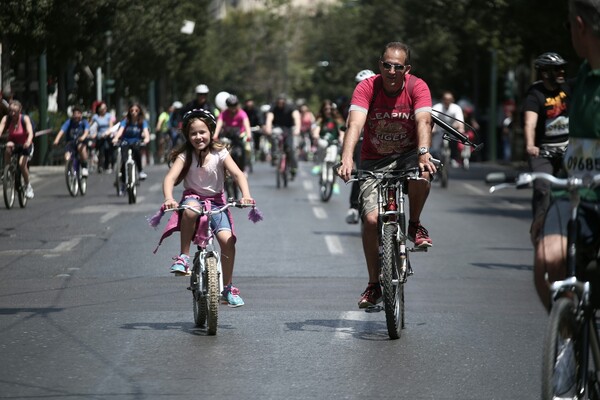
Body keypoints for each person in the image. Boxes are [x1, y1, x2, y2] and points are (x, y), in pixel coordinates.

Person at [337, 41, 436, 309]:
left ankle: (414, 223)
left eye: (398, 66)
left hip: (408, 155)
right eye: (387, 65)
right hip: (373, 160)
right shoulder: (367, 87)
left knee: (421, 175)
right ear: (380, 65)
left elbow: (423, 120)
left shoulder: (418, 87)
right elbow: (355, 123)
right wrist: (347, 157)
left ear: (407, 69)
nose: (392, 71)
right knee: (370, 221)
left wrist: (424, 153)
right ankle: (373, 284)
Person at [534, 0, 600, 312]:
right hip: (574, 193)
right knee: (547, 263)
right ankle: (568, 344)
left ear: (580, 25)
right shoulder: (585, 76)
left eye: (568, 26)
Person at [160, 109, 254, 307]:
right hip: (193, 198)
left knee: (227, 242)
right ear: (187, 136)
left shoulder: (220, 152)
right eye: (193, 133)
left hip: (217, 202)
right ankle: (184, 257)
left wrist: (246, 195)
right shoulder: (186, 155)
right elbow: (170, 178)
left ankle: (227, 288)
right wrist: (169, 198)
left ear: (211, 131)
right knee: (191, 209)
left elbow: (238, 174)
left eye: (202, 132)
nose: (198, 137)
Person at [523, 52, 571, 244]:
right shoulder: (535, 94)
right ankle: (539, 230)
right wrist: (530, 145)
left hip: (568, 149)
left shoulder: (567, 88)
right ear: (544, 72)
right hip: (543, 151)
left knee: (579, 188)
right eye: (556, 69)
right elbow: (530, 123)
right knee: (543, 189)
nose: (561, 71)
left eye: (562, 68)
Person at [346, 69, 376, 224]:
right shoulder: (356, 102)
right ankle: (354, 206)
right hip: (362, 141)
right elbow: (351, 125)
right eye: (359, 84)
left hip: (384, 144)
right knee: (361, 173)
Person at [0, 99, 35, 198]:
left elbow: (30, 132)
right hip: (14, 143)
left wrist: (28, 141)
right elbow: (0, 129)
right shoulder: (6, 119)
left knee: (21, 164)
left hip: (25, 145)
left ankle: (28, 185)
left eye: (15, 111)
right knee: (8, 147)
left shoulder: (25, 118)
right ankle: (8, 172)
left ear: (20, 110)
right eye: (11, 111)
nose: (12, 113)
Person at [112, 103, 150, 188]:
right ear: (129, 111)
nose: (134, 112)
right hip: (125, 142)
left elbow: (146, 132)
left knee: (137, 153)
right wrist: (116, 138)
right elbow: (120, 131)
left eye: (136, 110)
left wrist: (146, 139)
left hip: (136, 142)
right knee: (124, 160)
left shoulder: (142, 122)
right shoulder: (125, 121)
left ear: (139, 111)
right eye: (132, 110)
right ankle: (123, 179)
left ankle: (140, 171)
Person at [264, 94, 301, 179]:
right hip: (278, 127)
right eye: (279, 102)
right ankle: (275, 155)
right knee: (274, 136)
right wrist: (268, 127)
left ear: (285, 102)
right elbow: (269, 118)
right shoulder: (273, 107)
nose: (280, 104)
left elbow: (296, 117)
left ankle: (293, 167)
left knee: (291, 149)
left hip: (289, 128)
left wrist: (297, 128)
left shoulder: (291, 107)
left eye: (282, 102)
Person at [214, 94, 252, 173]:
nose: (233, 108)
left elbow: (246, 124)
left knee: (243, 150)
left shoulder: (242, 113)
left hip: (239, 137)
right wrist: (215, 135)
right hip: (227, 136)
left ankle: (243, 169)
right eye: (230, 106)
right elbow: (219, 124)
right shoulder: (224, 113)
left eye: (234, 105)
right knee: (220, 151)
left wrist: (249, 135)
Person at [53, 105, 91, 177]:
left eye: (78, 114)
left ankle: (84, 167)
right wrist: (56, 140)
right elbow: (62, 131)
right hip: (71, 142)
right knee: (67, 156)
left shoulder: (84, 122)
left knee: (81, 148)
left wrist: (83, 137)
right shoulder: (69, 122)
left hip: (80, 142)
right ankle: (70, 169)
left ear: (81, 114)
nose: (76, 116)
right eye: (74, 114)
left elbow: (86, 131)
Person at [311, 99, 344, 178]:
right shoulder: (320, 119)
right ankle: (318, 165)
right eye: (326, 109)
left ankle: (335, 183)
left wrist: (341, 138)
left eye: (330, 109)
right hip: (323, 141)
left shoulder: (337, 120)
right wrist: (315, 135)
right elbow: (317, 128)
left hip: (334, 142)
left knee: (334, 162)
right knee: (321, 146)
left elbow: (341, 131)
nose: (328, 111)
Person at [431, 91, 465, 167]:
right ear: (442, 99)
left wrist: (460, 128)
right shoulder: (437, 107)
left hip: (452, 130)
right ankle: (435, 163)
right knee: (435, 149)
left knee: (454, 141)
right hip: (439, 130)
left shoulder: (456, 108)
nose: (447, 101)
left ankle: (453, 158)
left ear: (452, 100)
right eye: (445, 99)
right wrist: (432, 129)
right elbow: (432, 118)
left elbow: (460, 121)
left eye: (449, 99)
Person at [91, 101, 114, 173]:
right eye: (103, 108)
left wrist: (107, 133)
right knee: (101, 150)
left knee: (107, 149)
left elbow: (111, 126)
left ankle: (107, 165)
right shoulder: (95, 117)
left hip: (107, 135)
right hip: (99, 136)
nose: (104, 109)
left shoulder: (108, 116)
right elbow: (90, 126)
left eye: (105, 108)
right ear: (99, 109)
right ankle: (100, 165)